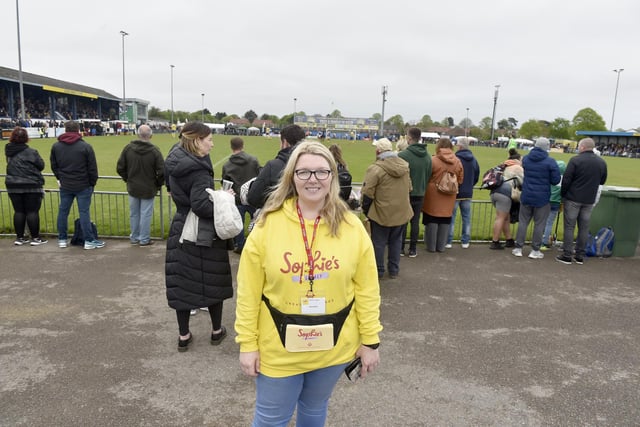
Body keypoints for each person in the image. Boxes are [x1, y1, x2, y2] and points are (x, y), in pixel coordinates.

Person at [235, 140, 382, 426]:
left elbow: (367, 289)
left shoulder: (352, 227)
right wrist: (247, 344)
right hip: (278, 347)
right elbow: (248, 293)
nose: (312, 179)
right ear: (292, 177)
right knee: (270, 419)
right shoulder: (267, 225)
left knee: (315, 410)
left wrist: (370, 341)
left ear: (332, 176)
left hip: (334, 346)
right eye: (304, 172)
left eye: (321, 172)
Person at [164, 122, 233, 351]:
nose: (212, 144)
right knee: (213, 281)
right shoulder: (199, 169)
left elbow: (171, 188)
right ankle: (216, 331)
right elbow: (202, 205)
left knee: (181, 283)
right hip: (200, 230)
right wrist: (222, 197)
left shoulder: (174, 157)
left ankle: (183, 336)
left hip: (180, 225)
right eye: (209, 139)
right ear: (196, 140)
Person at [361, 138, 413, 279]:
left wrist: (366, 210)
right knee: (396, 241)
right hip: (401, 211)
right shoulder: (404, 167)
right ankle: (394, 270)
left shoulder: (376, 169)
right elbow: (409, 188)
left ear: (378, 151)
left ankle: (378, 271)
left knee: (379, 242)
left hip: (381, 212)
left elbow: (367, 193)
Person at [50, 120, 103, 250]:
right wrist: (92, 183)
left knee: (63, 211)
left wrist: (60, 178)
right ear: (78, 130)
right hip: (83, 184)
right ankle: (89, 240)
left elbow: (54, 165)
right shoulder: (85, 147)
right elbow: (92, 168)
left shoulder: (56, 146)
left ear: (65, 129)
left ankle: (62, 239)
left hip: (66, 184)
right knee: (84, 212)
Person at [557, 138, 607, 265]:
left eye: (579, 146)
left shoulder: (575, 160)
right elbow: (602, 180)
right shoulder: (601, 162)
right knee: (584, 227)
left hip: (573, 198)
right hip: (589, 199)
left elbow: (566, 180)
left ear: (583, 147)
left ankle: (567, 254)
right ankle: (579, 255)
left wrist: (563, 195)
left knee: (569, 226)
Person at [512, 137, 561, 259]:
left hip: (527, 195)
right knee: (539, 224)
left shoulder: (526, 159)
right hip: (542, 197)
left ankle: (518, 248)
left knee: (523, 222)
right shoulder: (550, 162)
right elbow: (555, 180)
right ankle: (535, 250)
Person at [116, 124, 165, 246]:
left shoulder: (128, 148)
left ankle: (135, 238)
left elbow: (120, 168)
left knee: (134, 214)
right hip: (148, 187)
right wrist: (158, 184)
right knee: (145, 214)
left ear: (138, 134)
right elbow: (163, 172)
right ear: (151, 135)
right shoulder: (154, 151)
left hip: (133, 186)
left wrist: (128, 179)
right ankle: (143, 239)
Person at [4, 127, 47, 246]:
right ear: (26, 138)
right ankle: (35, 238)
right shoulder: (31, 152)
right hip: (31, 184)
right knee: (32, 211)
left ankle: (20, 238)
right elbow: (41, 165)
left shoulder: (8, 150)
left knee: (19, 211)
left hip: (13, 184)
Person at [247, 124, 306, 209]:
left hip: (279, 216)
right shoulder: (313, 165)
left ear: (285, 142)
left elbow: (253, 198)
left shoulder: (273, 166)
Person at [422, 138, 463, 252]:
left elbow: (426, 176)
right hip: (449, 195)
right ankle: (441, 247)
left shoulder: (433, 160)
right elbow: (460, 179)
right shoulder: (457, 161)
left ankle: (431, 247)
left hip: (432, 195)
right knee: (445, 220)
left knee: (432, 219)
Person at [221, 136, 261, 254]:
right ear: (242, 146)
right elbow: (259, 177)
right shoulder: (253, 160)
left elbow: (225, 183)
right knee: (257, 221)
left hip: (238, 198)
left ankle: (240, 245)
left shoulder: (227, 165)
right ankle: (255, 244)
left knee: (239, 223)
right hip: (252, 196)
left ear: (231, 147)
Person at [398, 127, 432, 257]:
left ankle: (401, 248)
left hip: (405, 193)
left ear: (409, 138)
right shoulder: (428, 157)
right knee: (415, 222)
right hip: (420, 192)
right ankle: (413, 249)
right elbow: (429, 175)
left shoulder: (403, 155)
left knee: (403, 221)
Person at [446, 137, 479, 249]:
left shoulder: (455, 159)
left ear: (459, 146)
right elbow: (476, 176)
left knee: (452, 218)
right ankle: (465, 241)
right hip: (468, 193)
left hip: (456, 192)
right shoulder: (474, 160)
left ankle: (449, 241)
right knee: (466, 218)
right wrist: (469, 186)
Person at [489, 148, 523, 249]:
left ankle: (509, 240)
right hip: (505, 194)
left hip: (495, 191)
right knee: (500, 218)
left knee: (505, 218)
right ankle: (495, 242)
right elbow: (523, 181)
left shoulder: (504, 165)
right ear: (518, 160)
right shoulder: (518, 168)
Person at [541, 160, 567, 250]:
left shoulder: (551, 177)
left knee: (542, 221)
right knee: (549, 223)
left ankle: (540, 240)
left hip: (546, 201)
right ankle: (545, 242)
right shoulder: (565, 180)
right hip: (556, 202)